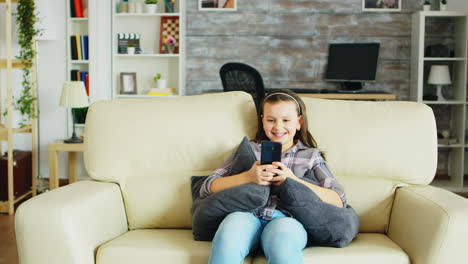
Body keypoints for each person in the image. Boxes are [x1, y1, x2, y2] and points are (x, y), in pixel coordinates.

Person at [199, 89, 347, 264]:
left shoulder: (311, 156)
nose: (278, 126)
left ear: (299, 122)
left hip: (287, 219)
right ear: (262, 121)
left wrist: (293, 180)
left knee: (282, 245)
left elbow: (339, 199)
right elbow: (206, 188)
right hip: (246, 215)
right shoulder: (248, 150)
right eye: (271, 120)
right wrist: (248, 177)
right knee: (228, 237)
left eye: (286, 120)